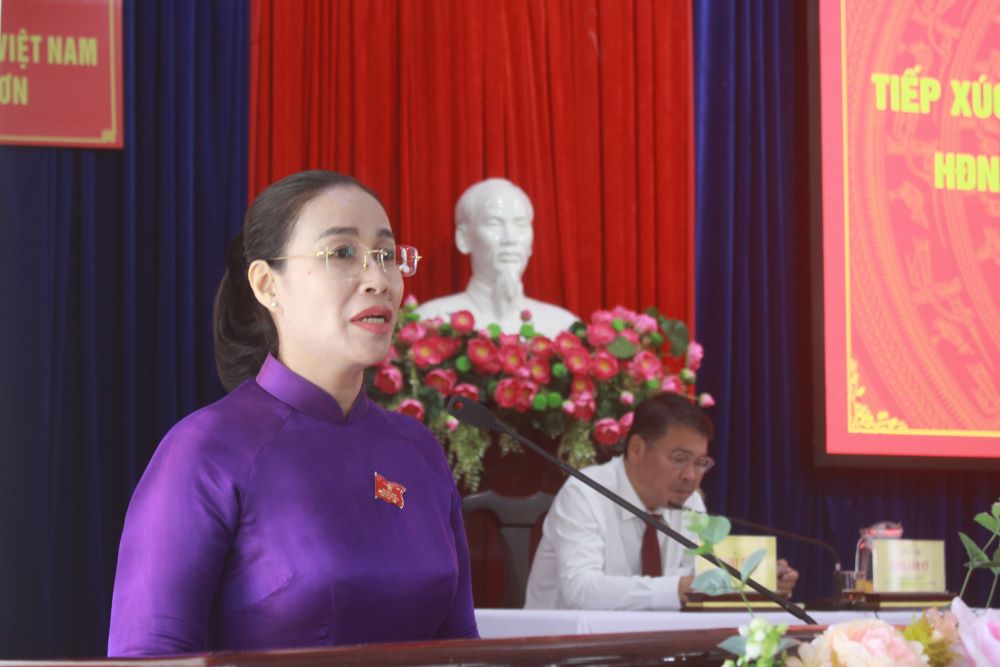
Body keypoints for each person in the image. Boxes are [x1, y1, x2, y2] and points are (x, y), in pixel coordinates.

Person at [108, 170, 479, 656]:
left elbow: (462, 650)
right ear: (267, 284)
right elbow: (149, 656)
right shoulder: (206, 449)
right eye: (342, 253)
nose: (378, 280)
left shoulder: (418, 452)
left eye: (386, 256)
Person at [524, 392, 798, 610]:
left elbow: (703, 582)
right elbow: (581, 590)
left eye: (701, 463)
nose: (691, 476)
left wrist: (759, 582)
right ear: (636, 449)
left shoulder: (690, 503)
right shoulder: (585, 493)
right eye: (679, 459)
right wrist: (677, 589)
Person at [416, 178, 579, 336]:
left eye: (520, 225)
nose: (510, 239)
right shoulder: (430, 322)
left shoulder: (562, 326)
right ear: (464, 238)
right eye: (493, 223)